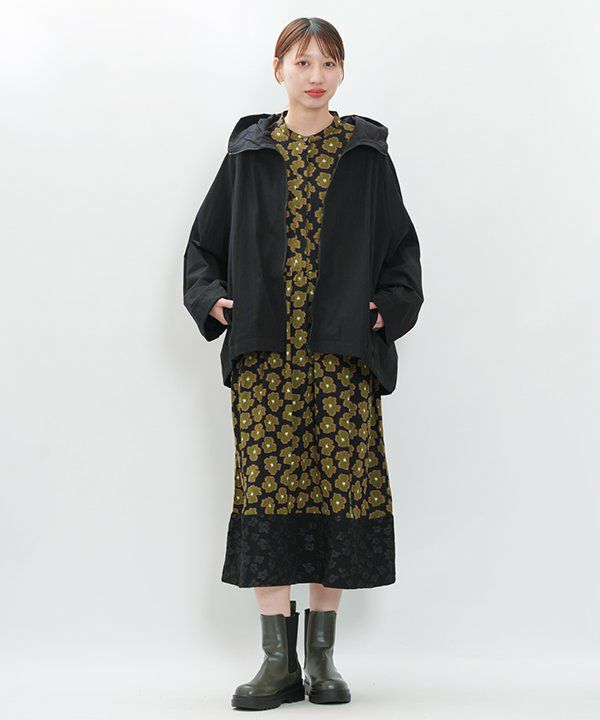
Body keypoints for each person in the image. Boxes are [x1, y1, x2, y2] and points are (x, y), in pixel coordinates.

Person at [183, 16, 424, 711]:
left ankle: (320, 660)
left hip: (342, 361)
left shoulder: (366, 157)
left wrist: (385, 310)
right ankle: (275, 662)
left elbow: (402, 256)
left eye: (328, 62)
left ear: (341, 72)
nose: (316, 76)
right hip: (267, 361)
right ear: (279, 69)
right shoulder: (248, 156)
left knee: (338, 497)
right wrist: (214, 299)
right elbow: (203, 248)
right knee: (267, 497)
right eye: (303, 62)